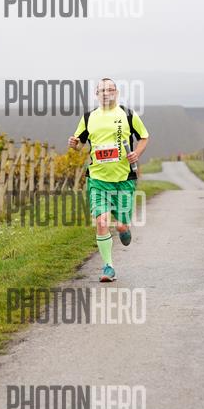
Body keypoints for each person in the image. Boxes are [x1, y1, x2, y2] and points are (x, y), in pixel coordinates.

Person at [68, 78, 150, 282]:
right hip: (97, 178)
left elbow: (144, 137)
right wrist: (74, 144)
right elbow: (79, 144)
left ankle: (124, 228)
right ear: (96, 94)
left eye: (110, 90)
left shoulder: (128, 114)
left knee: (121, 225)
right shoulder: (88, 117)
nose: (106, 93)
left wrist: (137, 153)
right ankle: (108, 267)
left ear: (116, 93)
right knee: (101, 221)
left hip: (124, 178)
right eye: (102, 90)